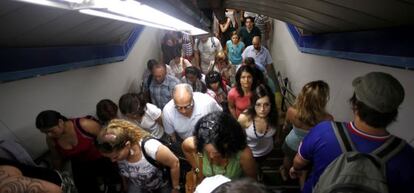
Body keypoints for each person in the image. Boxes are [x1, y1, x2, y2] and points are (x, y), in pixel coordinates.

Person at [289, 72, 414, 193]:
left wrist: (295, 169)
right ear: (393, 114)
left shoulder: (324, 131)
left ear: (354, 105)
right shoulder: (407, 156)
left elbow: (299, 161)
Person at [35, 110, 121, 193]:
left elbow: (107, 141)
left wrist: (117, 157)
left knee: (116, 181)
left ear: (60, 122)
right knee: (84, 188)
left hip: (100, 157)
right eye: (45, 133)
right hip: (81, 164)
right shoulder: (51, 140)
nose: (48, 135)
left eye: (51, 131)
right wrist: (58, 176)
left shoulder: (84, 125)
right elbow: (56, 158)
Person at [95, 119, 180, 193]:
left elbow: (175, 163)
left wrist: (176, 188)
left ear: (127, 145)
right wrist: (125, 187)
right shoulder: (117, 152)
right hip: (139, 186)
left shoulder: (151, 148)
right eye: (109, 158)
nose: (113, 161)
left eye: (116, 157)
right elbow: (123, 171)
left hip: (163, 185)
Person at [280, 80, 333, 185]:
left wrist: (284, 131)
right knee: (304, 168)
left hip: (291, 143)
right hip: (309, 149)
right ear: (322, 100)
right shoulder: (327, 118)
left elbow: (285, 126)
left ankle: (285, 172)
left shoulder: (291, 111)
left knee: (287, 159)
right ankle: (302, 183)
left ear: (302, 96)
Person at [182, 112, 257, 180]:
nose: (211, 156)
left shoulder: (244, 155)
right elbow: (185, 148)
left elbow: (251, 181)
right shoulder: (196, 143)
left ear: (229, 145)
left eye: (216, 152)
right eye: (207, 151)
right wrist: (197, 170)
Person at [238, 84, 278, 181]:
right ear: (253, 104)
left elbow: (278, 128)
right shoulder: (245, 118)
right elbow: (237, 137)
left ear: (271, 104)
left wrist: (277, 138)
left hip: (267, 151)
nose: (262, 109)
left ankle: (259, 170)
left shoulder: (274, 115)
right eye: (258, 104)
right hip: (250, 154)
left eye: (266, 104)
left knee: (259, 166)